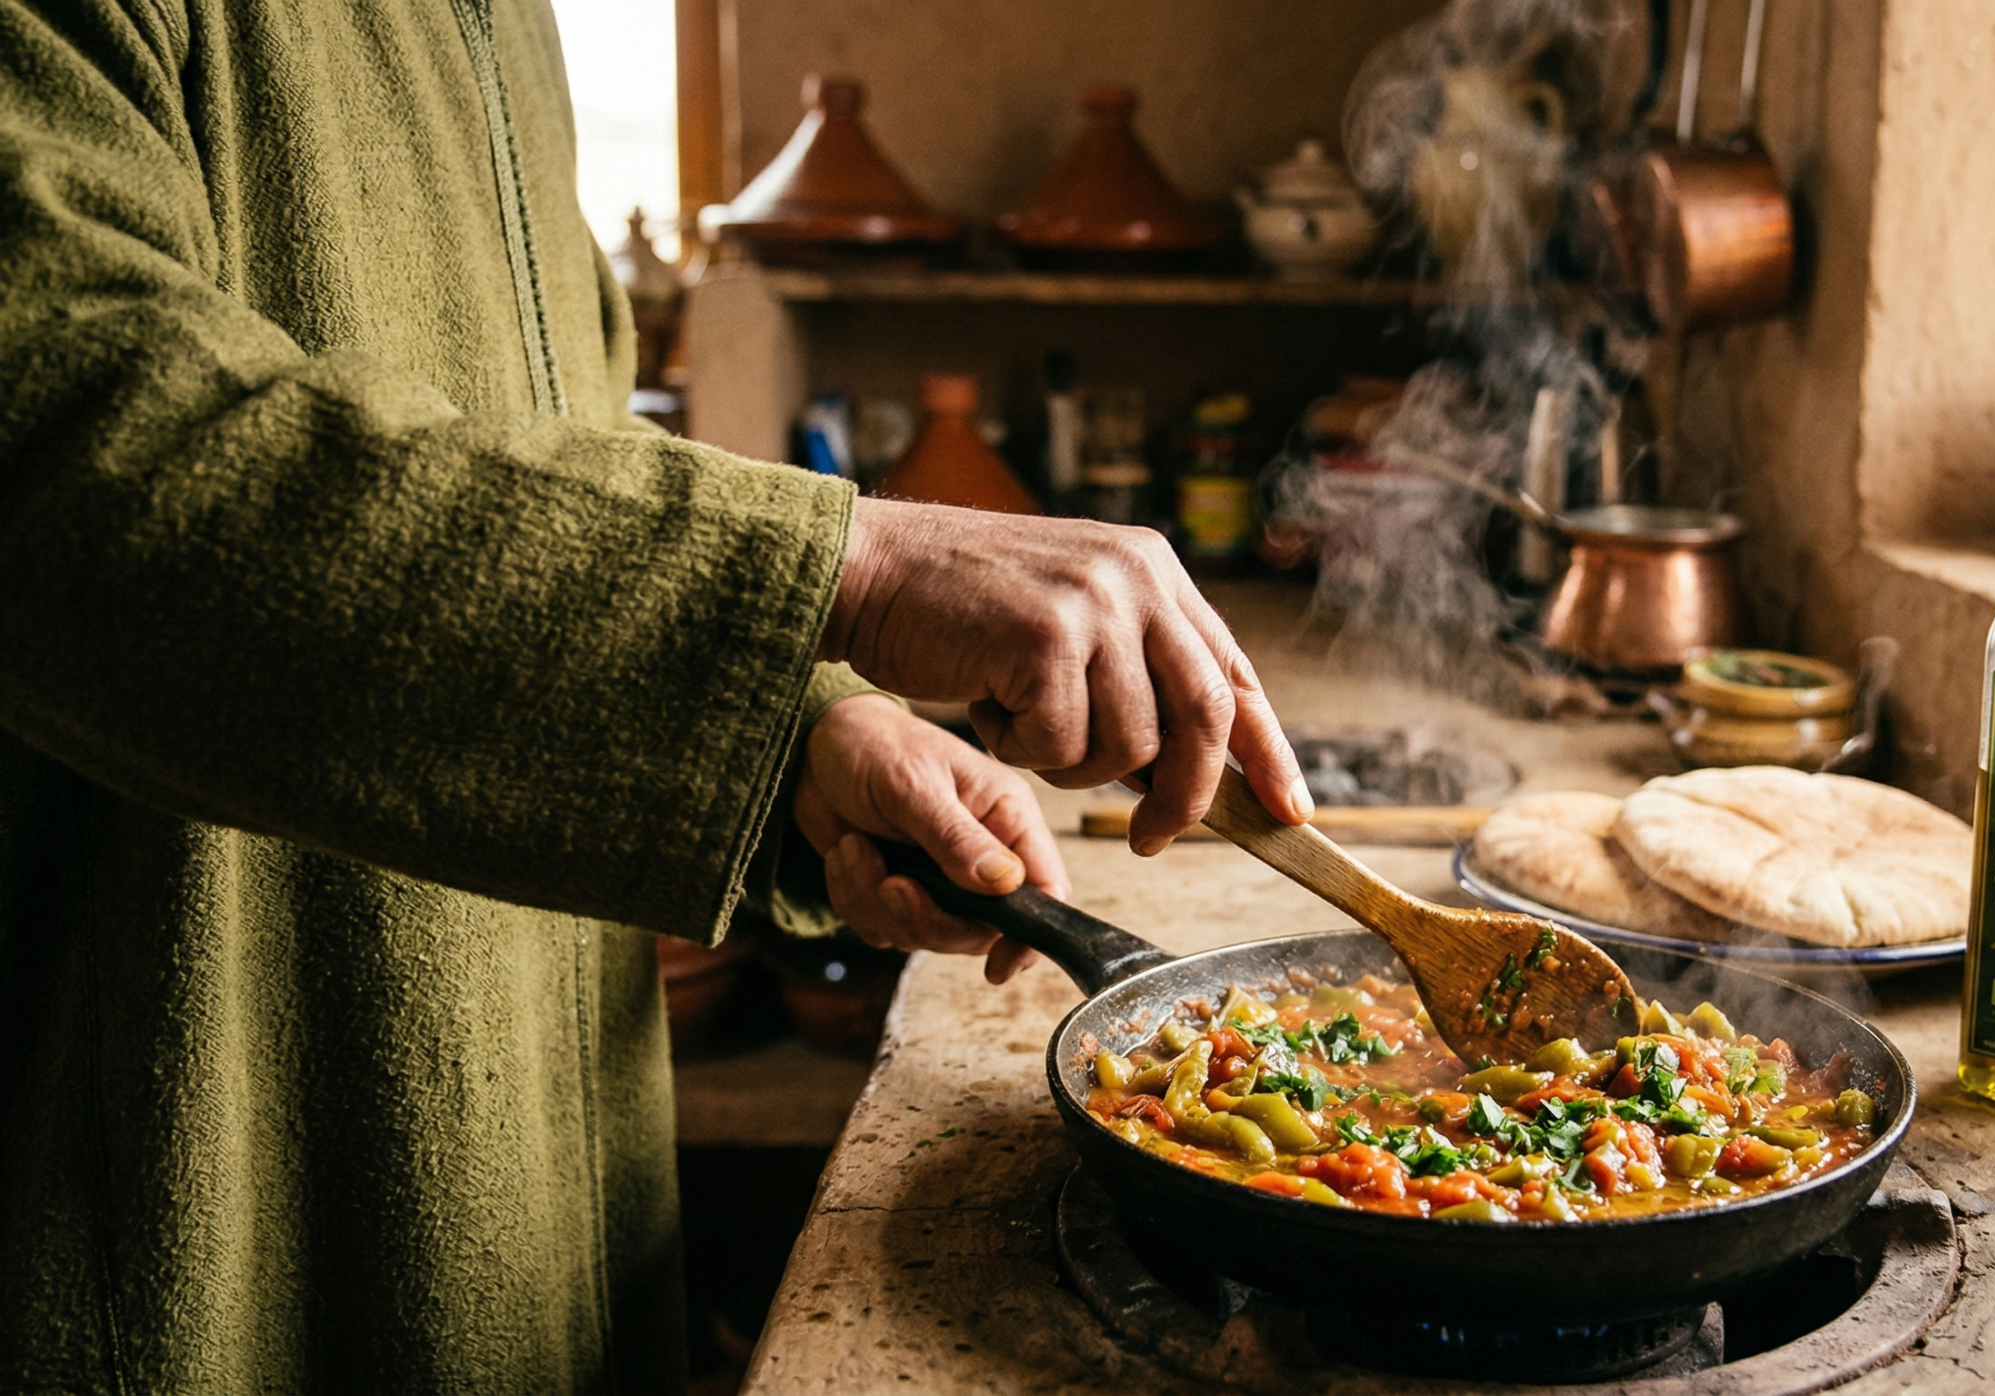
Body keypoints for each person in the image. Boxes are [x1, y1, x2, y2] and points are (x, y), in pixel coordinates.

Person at [0, 1, 1310, 1390]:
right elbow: (61, 442)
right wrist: (842, 570)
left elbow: (524, 450)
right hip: (194, 1219)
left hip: (548, 1211)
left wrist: (802, 728)